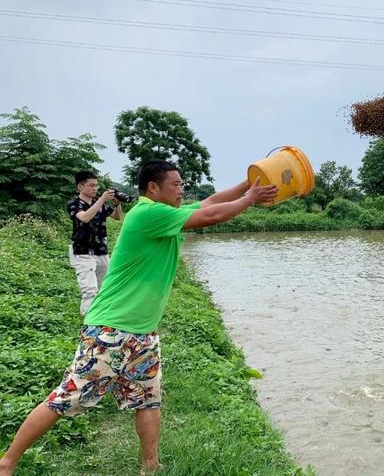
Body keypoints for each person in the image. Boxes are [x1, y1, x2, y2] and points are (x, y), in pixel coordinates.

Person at [0, 160, 278, 476]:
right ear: (152, 188)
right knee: (66, 396)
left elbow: (211, 202)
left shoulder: (166, 213)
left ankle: (151, 467)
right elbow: (212, 215)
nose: (181, 188)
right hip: (110, 331)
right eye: (175, 184)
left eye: (181, 183)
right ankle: (7, 462)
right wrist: (251, 198)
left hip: (143, 333)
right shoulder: (147, 213)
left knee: (147, 401)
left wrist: (248, 183)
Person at [67, 171, 123, 315]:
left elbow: (117, 217)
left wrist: (117, 204)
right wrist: (102, 200)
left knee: (104, 285)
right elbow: (84, 217)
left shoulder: (99, 202)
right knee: (90, 289)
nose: (95, 189)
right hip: (82, 250)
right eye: (91, 185)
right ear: (80, 186)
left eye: (96, 186)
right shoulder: (74, 203)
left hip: (101, 250)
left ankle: (101, 314)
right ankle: (88, 319)